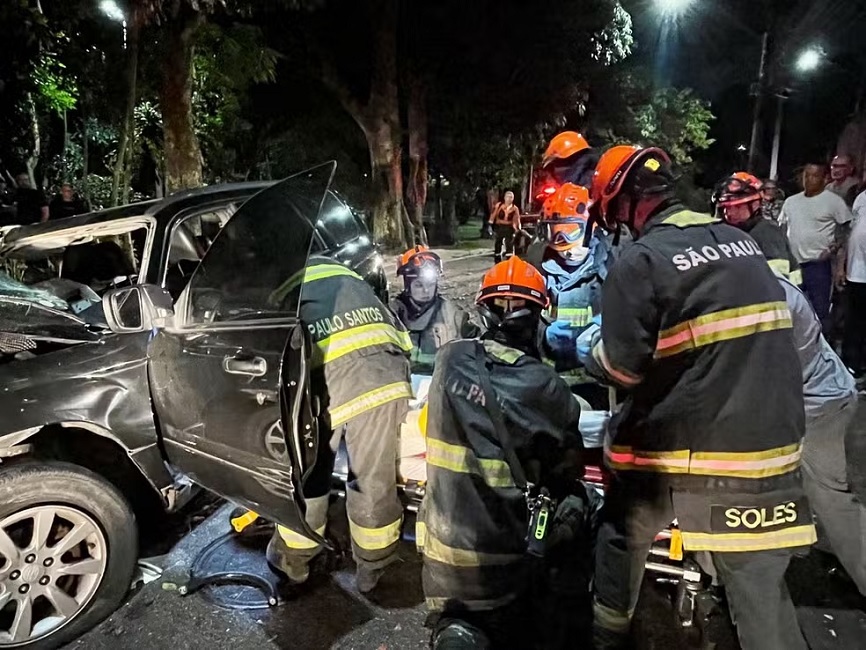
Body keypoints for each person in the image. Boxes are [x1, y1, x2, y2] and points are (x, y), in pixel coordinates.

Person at [581, 145, 814, 650]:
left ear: (624, 204)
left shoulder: (642, 260)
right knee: (761, 599)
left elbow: (622, 369)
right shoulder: (741, 243)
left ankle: (607, 634)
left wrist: (588, 351)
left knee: (621, 524)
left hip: (696, 454)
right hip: (775, 447)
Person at [421, 256, 590, 650]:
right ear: (538, 318)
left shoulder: (448, 360)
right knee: (580, 502)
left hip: (439, 558)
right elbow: (568, 468)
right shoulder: (544, 385)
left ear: (484, 312)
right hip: (502, 571)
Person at [718, 176, 866, 597]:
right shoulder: (751, 288)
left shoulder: (775, 303)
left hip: (821, 407)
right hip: (805, 397)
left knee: (829, 496)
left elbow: (756, 376)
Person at [266, 256, 413, 594]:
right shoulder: (341, 271)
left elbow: (275, 356)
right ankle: (373, 571)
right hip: (386, 378)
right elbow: (402, 339)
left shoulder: (277, 286)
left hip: (326, 385)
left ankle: (294, 561)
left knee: (309, 473)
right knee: (372, 482)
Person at [537, 183, 612, 370]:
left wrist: (606, 330)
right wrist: (542, 335)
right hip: (551, 372)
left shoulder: (612, 264)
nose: (566, 248)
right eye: (555, 233)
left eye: (572, 232)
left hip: (593, 372)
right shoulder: (539, 268)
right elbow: (523, 323)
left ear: (591, 228)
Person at [781, 163, 853, 332]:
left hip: (818, 265)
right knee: (792, 308)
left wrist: (834, 249)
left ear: (824, 179)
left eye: (814, 176)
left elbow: (845, 230)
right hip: (794, 265)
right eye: (806, 175)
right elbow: (782, 228)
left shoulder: (833, 201)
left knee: (819, 311)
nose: (809, 180)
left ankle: (822, 343)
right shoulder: (791, 202)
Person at [390, 246, 471, 372]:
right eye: (419, 285)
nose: (426, 290)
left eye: (431, 284)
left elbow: (474, 351)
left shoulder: (454, 316)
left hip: (441, 381)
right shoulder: (391, 314)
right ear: (407, 285)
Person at [713, 172, 802, 284]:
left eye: (737, 207)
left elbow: (777, 279)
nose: (730, 213)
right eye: (726, 208)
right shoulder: (731, 232)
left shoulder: (767, 232)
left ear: (755, 205)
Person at [486, 191, 520, 263]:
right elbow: (493, 215)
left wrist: (517, 229)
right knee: (498, 243)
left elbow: (516, 219)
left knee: (509, 244)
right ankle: (497, 260)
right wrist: (490, 225)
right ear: (504, 198)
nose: (509, 199)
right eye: (508, 197)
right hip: (499, 227)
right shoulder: (499, 206)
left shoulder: (515, 209)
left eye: (511, 197)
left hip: (509, 228)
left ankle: (509, 261)